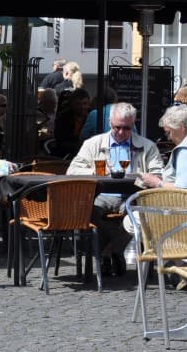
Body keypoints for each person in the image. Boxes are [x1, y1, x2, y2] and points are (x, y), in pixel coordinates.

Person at [68, 102, 163, 274]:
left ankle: (109, 251)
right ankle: (106, 251)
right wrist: (97, 172)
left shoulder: (147, 146)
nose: (121, 132)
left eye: (126, 128)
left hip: (132, 196)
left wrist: (143, 178)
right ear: (110, 123)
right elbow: (72, 171)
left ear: (133, 124)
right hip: (100, 194)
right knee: (87, 211)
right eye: (117, 127)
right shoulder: (93, 144)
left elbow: (157, 175)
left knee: (137, 215)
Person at [52, 88, 90, 157]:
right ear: (72, 104)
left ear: (89, 104)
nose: (82, 107)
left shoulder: (92, 116)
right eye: (78, 104)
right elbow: (60, 139)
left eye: (85, 103)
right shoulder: (63, 117)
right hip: (65, 155)